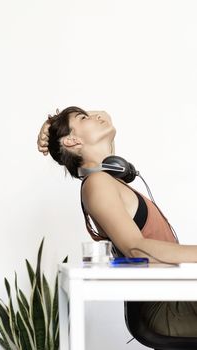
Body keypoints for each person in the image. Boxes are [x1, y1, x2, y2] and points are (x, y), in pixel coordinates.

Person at [37, 106, 197, 338]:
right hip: (166, 310)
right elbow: (135, 248)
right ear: (72, 141)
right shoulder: (97, 184)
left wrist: (52, 125)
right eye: (84, 117)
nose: (98, 116)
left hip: (179, 299)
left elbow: (104, 115)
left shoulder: (108, 180)